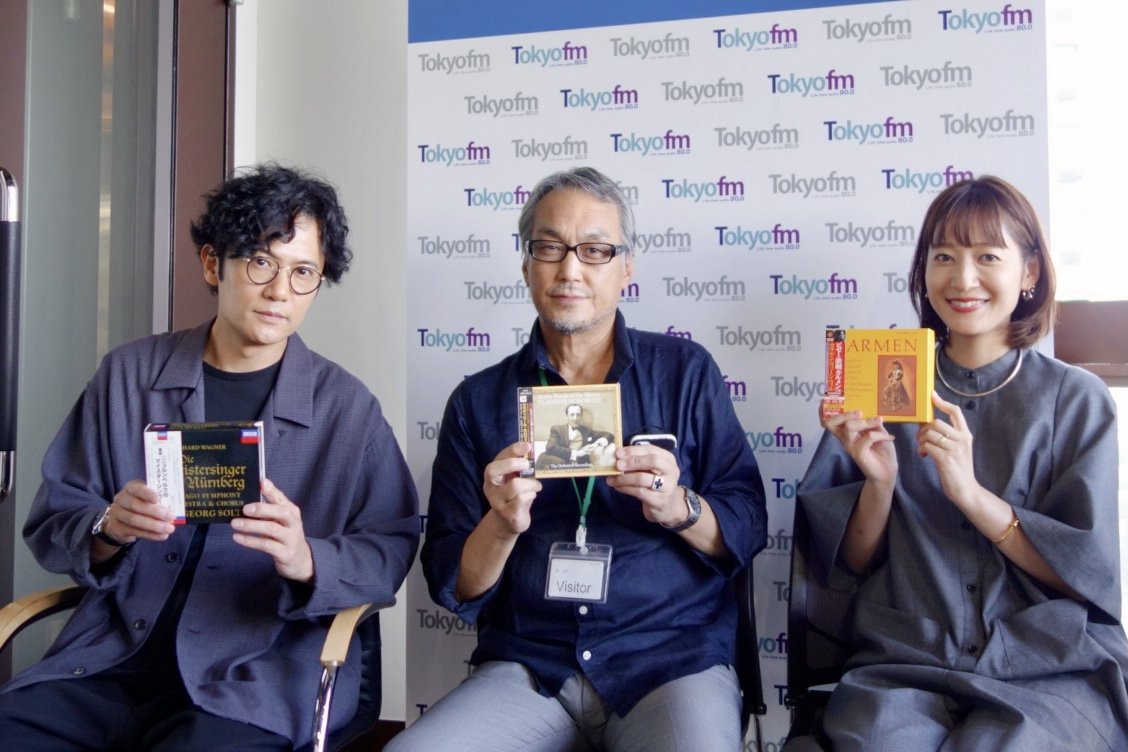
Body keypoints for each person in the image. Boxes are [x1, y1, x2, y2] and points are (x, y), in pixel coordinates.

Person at [0, 164, 420, 750]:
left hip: (254, 675)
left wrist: (306, 558)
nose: (280, 291)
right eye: (260, 262)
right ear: (210, 263)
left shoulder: (346, 409)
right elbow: (56, 516)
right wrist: (107, 528)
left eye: (303, 272)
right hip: (110, 659)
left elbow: (389, 547)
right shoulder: (129, 375)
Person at [387, 166, 766, 752]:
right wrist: (501, 524)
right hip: (531, 666)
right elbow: (453, 582)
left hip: (669, 659)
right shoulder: (478, 401)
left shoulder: (685, 373)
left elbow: (748, 523)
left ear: (626, 267)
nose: (569, 270)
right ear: (526, 264)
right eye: (549, 247)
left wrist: (678, 506)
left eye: (594, 250)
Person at [789, 176, 1128, 751]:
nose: (962, 279)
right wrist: (880, 482)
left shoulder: (1076, 399)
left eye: (987, 256)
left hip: (1046, 667)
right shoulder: (883, 382)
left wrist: (970, 494)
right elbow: (847, 564)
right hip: (905, 661)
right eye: (943, 256)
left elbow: (1084, 575)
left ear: (1029, 271)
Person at [534, 403, 615, 470]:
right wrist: (577, 453)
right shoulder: (557, 429)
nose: (575, 418)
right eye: (572, 415)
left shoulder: (587, 431)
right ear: (566, 416)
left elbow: (609, 435)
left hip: (575, 465)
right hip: (554, 460)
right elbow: (550, 448)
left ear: (581, 417)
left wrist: (596, 444)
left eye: (578, 415)